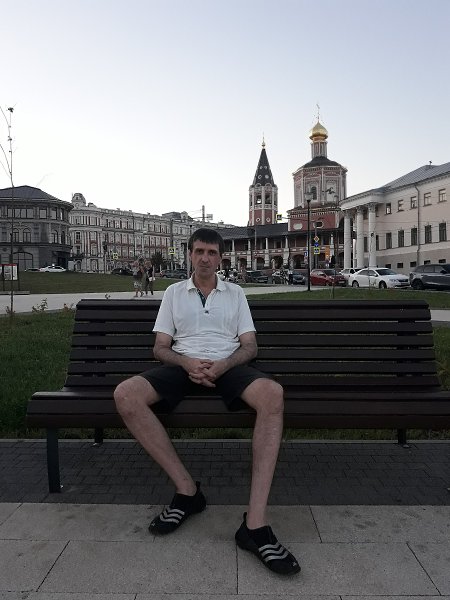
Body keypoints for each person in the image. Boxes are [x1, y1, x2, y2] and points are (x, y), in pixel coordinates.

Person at [114, 228, 300, 576]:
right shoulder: (173, 293)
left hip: (227, 365)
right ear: (189, 254)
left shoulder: (235, 294)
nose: (204, 258)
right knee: (125, 394)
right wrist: (186, 363)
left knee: (273, 395)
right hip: (182, 365)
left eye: (211, 252)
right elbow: (160, 348)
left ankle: (255, 525)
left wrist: (225, 364)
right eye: (199, 251)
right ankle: (187, 491)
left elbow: (250, 346)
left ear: (220, 258)